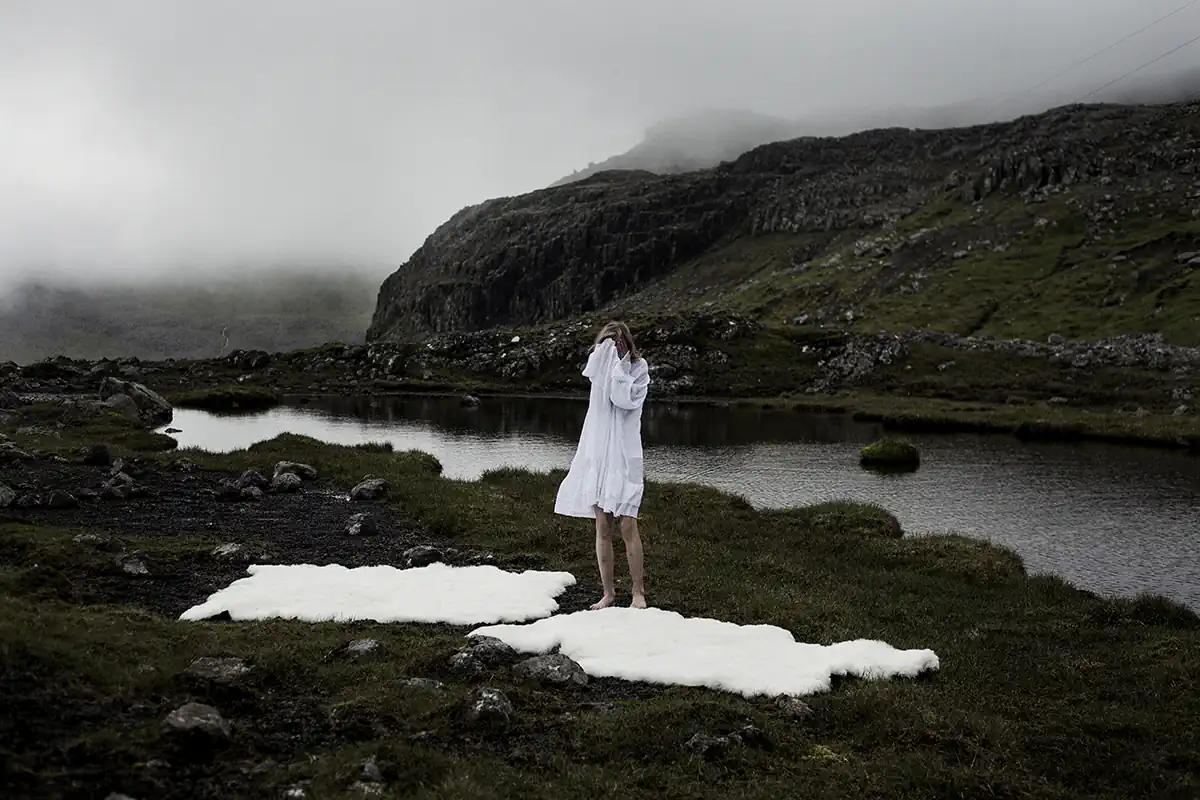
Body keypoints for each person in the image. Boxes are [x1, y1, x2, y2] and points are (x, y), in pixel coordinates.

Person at [554, 321, 651, 609]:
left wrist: (621, 364)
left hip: (625, 456)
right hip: (599, 455)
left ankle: (638, 593)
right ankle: (608, 593)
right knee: (602, 526)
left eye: (618, 341)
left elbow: (624, 400)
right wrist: (605, 356)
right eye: (608, 341)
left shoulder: (638, 369)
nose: (612, 346)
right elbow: (597, 385)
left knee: (628, 524)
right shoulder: (598, 365)